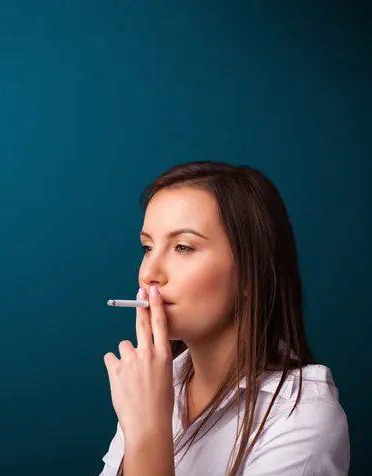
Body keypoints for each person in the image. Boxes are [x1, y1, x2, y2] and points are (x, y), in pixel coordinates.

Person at [99, 161, 350, 476]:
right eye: (147, 247)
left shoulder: (301, 417)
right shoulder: (158, 383)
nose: (149, 274)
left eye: (183, 247)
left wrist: (149, 431)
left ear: (251, 273)